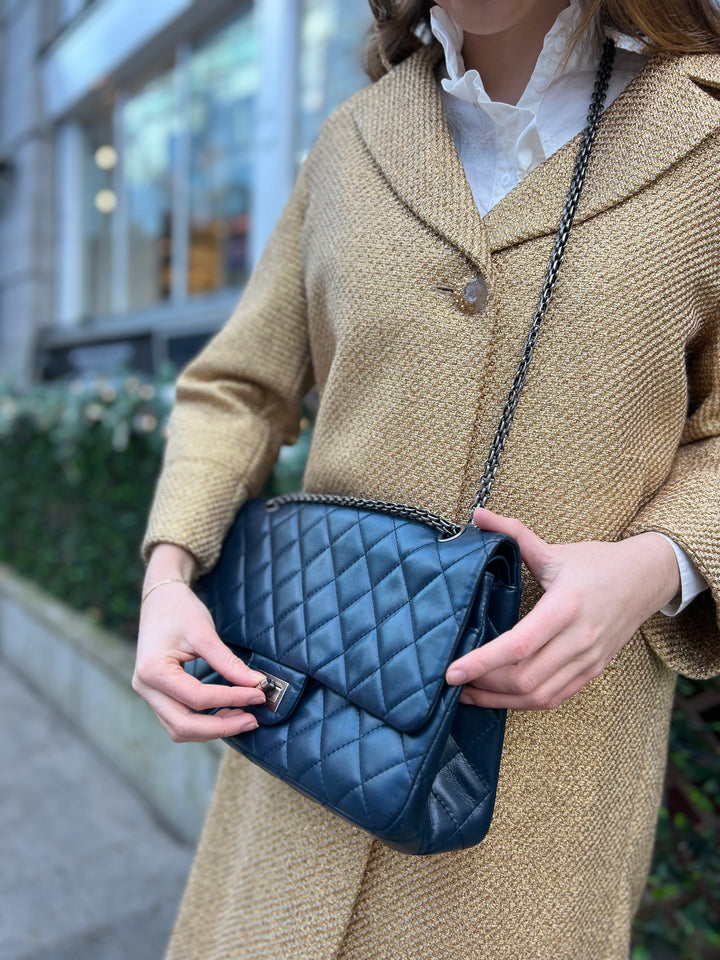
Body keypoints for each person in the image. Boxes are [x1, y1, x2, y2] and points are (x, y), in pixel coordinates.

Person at [133, 1, 720, 957]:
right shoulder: (353, 141)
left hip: (543, 799)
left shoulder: (703, 136)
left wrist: (658, 564)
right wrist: (168, 579)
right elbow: (237, 387)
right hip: (300, 755)